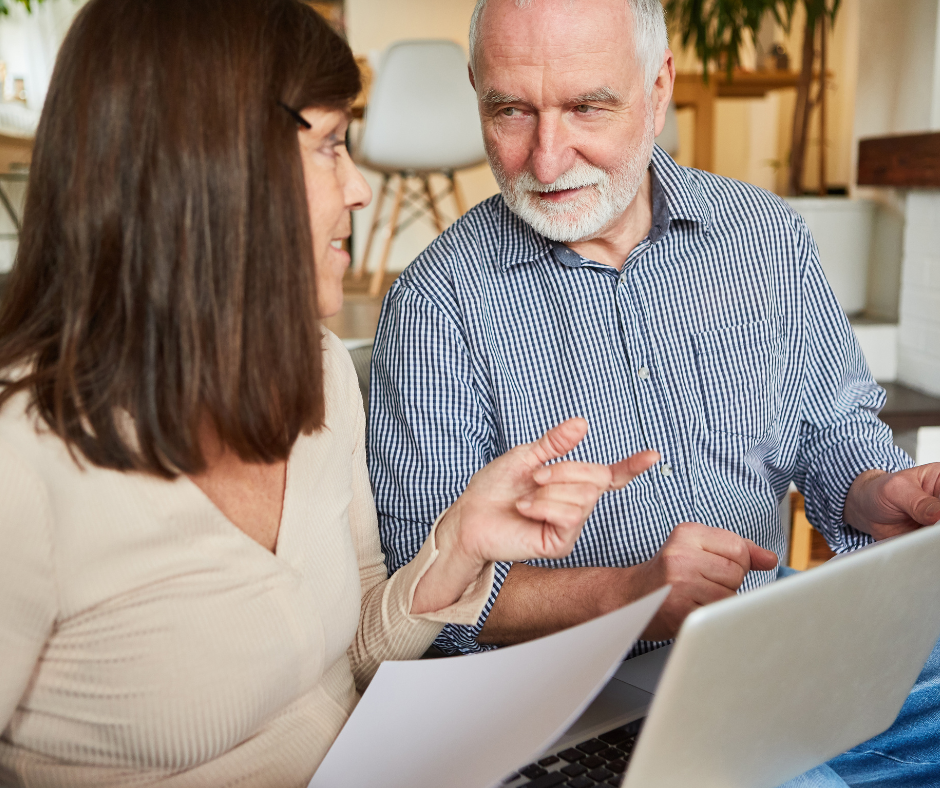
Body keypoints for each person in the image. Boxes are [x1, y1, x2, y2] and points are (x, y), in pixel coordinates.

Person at [0, 1, 654, 785]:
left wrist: (458, 546)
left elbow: (347, 661)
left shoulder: (313, 370)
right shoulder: (22, 455)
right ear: (212, 160)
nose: (361, 190)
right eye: (333, 146)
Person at [368, 0, 940, 784]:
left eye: (587, 107)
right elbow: (426, 595)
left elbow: (829, 423)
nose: (545, 159)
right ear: (477, 90)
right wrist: (630, 594)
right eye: (510, 111)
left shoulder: (765, 237)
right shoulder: (436, 308)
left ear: (659, 86)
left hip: (765, 632)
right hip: (574, 693)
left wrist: (876, 490)